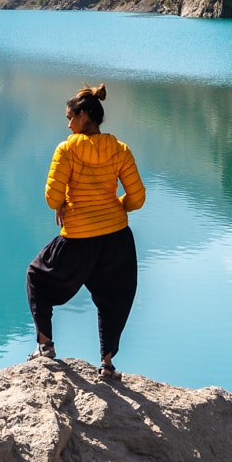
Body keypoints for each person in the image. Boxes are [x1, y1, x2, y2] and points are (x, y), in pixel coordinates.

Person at [25, 83, 146, 380]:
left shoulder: (67, 150)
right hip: (116, 237)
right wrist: (115, 206)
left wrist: (65, 203)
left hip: (79, 236)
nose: (68, 124)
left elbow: (53, 199)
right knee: (112, 298)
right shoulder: (120, 150)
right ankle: (106, 364)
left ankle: (46, 346)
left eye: (70, 117)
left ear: (83, 116)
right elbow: (137, 198)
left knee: (37, 277)